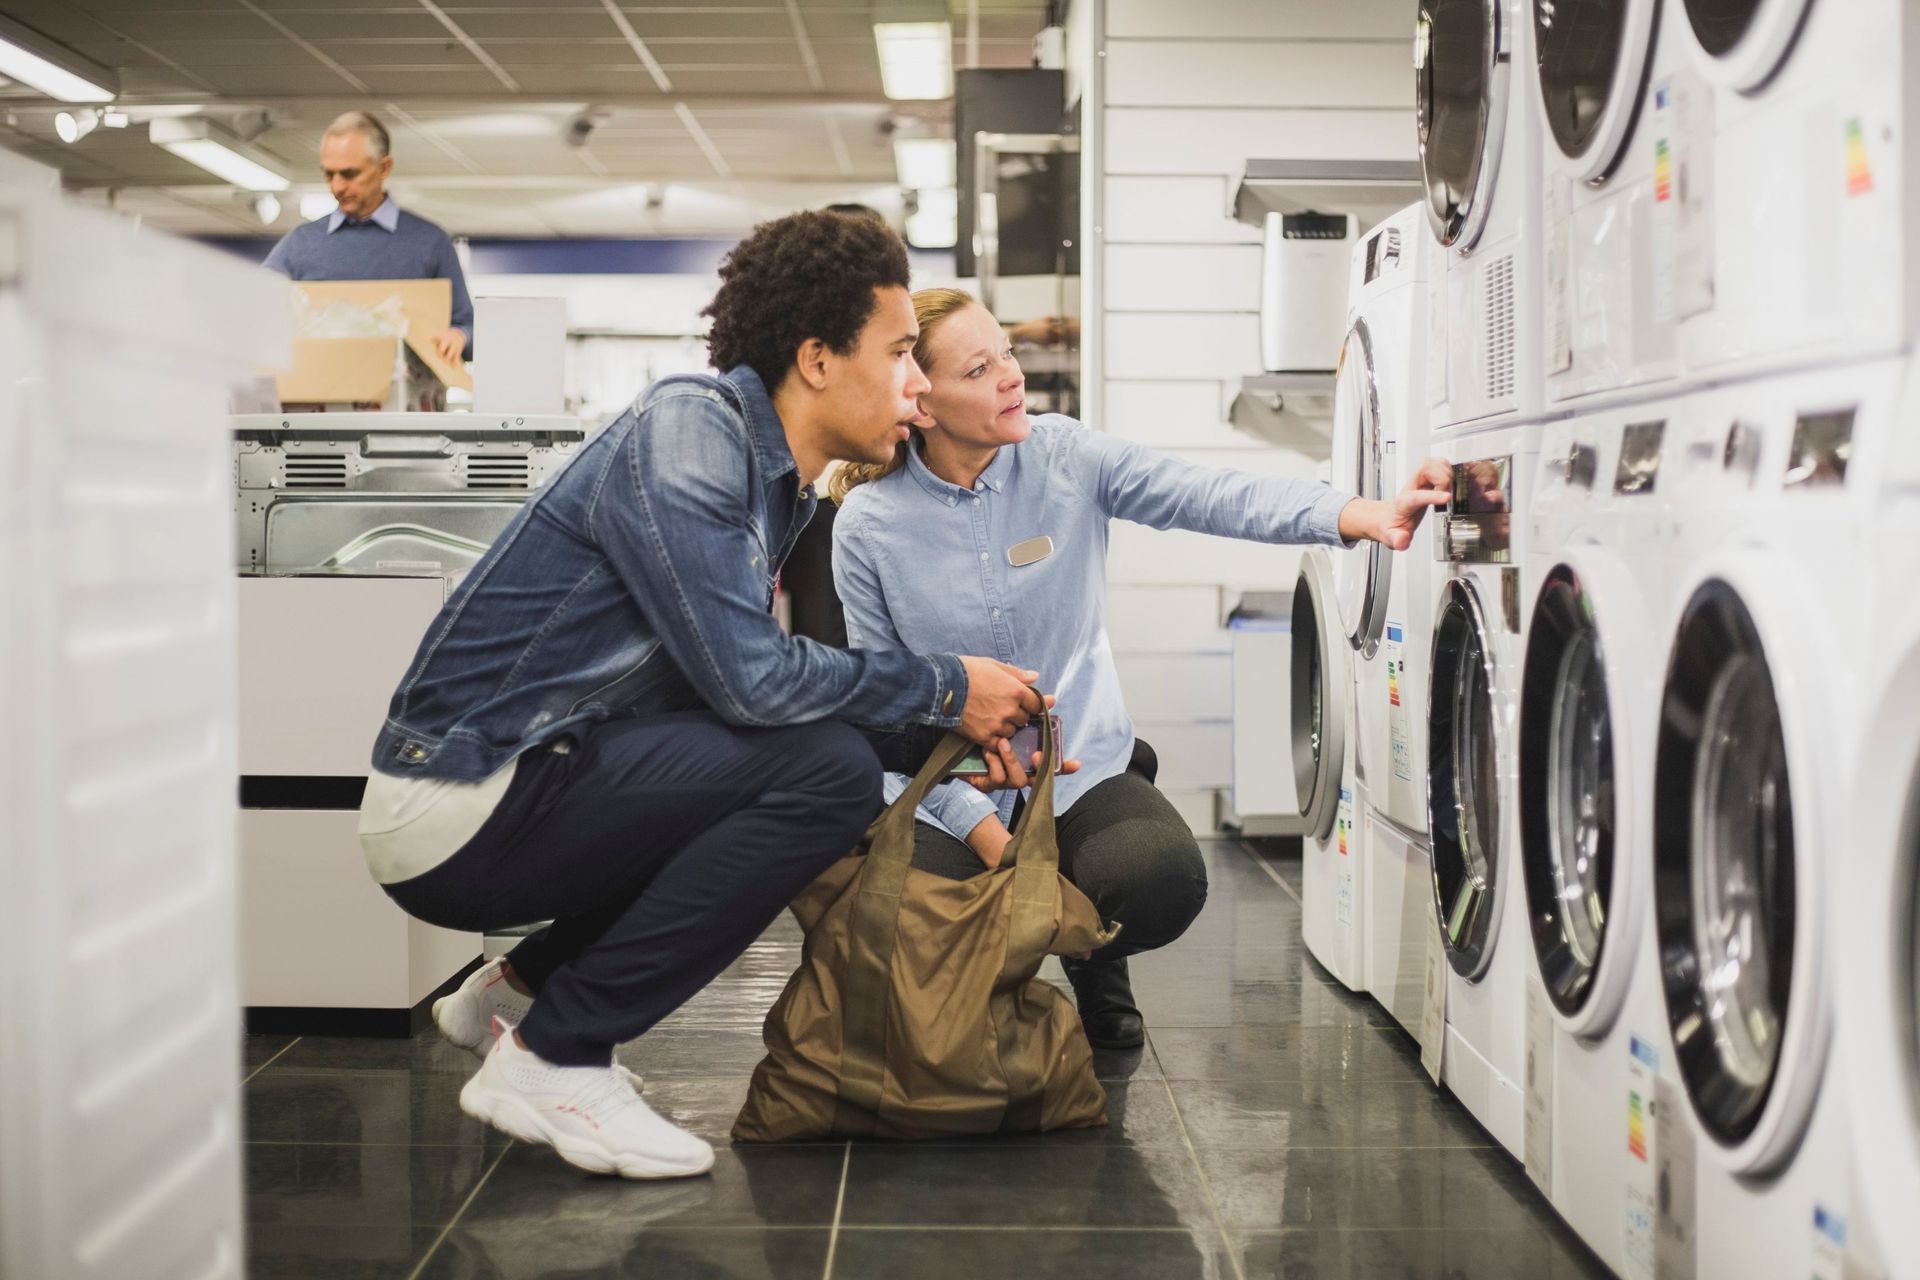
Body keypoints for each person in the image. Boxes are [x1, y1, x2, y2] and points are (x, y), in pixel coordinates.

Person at [357, 214, 1053, 1180]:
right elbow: (754, 683)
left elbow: (739, 699)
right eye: (900, 353)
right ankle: (557, 1054)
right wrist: (946, 686)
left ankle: (517, 996)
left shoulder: (776, 483)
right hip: (462, 796)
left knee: (808, 761)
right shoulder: (691, 428)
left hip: (524, 784)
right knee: (825, 777)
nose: (920, 385)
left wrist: (951, 738)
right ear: (817, 358)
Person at [830, 288, 1451, 1048]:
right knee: (904, 920)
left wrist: (1361, 515)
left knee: (1158, 881)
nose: (1013, 375)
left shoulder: (1063, 457)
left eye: (1008, 352)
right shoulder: (869, 527)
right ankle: (995, 973)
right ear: (922, 403)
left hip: (1078, 771)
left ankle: (1095, 959)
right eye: (980, 369)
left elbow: (1207, 495)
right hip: (950, 782)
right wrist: (994, 843)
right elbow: (885, 707)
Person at [263, 110, 473, 363]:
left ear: (384, 168)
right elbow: (255, 311)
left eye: (349, 174)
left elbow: (468, 328)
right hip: (321, 384)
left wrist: (459, 336)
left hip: (405, 387)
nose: (337, 187)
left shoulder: (431, 242)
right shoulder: (299, 244)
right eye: (329, 174)